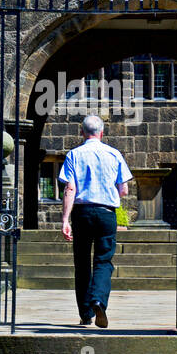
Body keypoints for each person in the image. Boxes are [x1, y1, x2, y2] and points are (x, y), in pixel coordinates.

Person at [59, 114, 133, 328]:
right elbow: (124, 189)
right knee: (103, 261)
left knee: (82, 264)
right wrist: (108, 198)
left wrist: (65, 220)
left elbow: (70, 188)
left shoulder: (74, 154)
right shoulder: (114, 154)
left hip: (82, 213)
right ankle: (99, 300)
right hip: (106, 213)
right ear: (102, 133)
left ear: (82, 132)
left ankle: (85, 313)